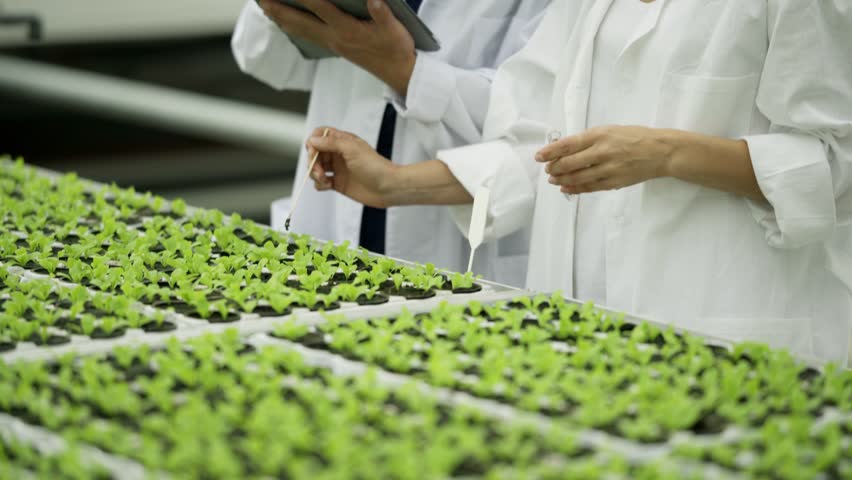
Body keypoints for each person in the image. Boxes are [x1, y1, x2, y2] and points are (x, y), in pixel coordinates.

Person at [303, 0, 852, 365]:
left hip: (725, 323)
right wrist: (395, 185)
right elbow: (538, 139)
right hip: (578, 326)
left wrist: (669, 152)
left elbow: (835, 163)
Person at [232, 0, 550, 286]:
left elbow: (543, 123)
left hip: (460, 240)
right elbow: (261, 56)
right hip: (333, 211)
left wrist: (405, 72)